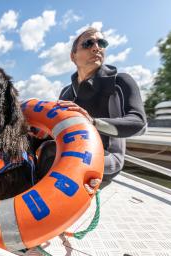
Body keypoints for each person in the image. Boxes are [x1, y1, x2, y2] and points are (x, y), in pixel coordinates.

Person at [39, 27, 147, 185]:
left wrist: (92, 122)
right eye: (88, 43)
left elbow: (139, 124)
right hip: (70, 148)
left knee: (52, 151)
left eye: (101, 43)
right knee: (35, 145)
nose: (96, 47)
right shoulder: (66, 93)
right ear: (73, 56)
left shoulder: (120, 81)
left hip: (107, 156)